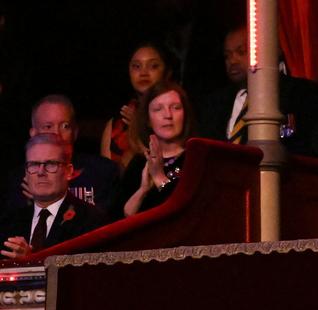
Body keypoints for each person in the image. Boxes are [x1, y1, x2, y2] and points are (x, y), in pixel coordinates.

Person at [197, 25, 318, 159]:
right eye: (227, 56)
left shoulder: (300, 93)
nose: (232, 61)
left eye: (242, 52)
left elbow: (316, 150)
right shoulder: (215, 103)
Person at [1, 94, 119, 214]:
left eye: (65, 126)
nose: (56, 133)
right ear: (33, 133)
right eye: (48, 126)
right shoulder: (19, 180)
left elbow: (107, 224)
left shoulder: (103, 172)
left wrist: (50, 201)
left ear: (75, 132)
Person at [0, 134, 108, 258]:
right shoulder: (9, 222)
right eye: (34, 165)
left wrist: (30, 261)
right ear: (26, 173)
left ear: (68, 171)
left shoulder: (92, 221)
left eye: (51, 164)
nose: (41, 172)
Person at [114, 81, 194, 217]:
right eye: (158, 109)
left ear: (185, 115)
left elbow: (183, 214)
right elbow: (120, 217)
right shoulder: (139, 163)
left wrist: (159, 177)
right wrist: (143, 190)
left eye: (175, 107)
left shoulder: (195, 160)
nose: (168, 115)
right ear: (148, 120)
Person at [100, 41, 174, 171]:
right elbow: (108, 179)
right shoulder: (118, 124)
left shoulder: (175, 115)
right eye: (136, 66)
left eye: (153, 66)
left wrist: (139, 128)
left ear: (167, 72)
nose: (143, 73)